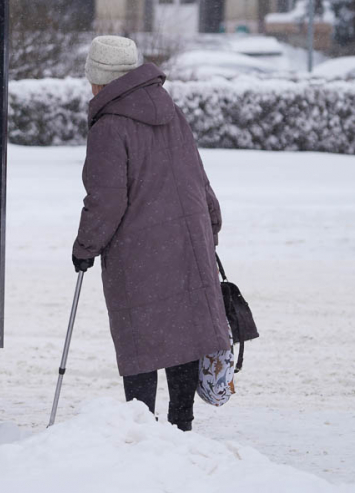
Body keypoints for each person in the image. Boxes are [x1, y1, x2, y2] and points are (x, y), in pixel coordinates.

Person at [72, 35, 228, 432]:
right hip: (188, 243)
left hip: (137, 253)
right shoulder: (171, 111)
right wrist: (209, 226)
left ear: (100, 79)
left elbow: (106, 201)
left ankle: (142, 431)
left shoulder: (110, 126)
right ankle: (181, 427)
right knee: (183, 335)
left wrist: (85, 247)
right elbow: (198, 178)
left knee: (141, 344)